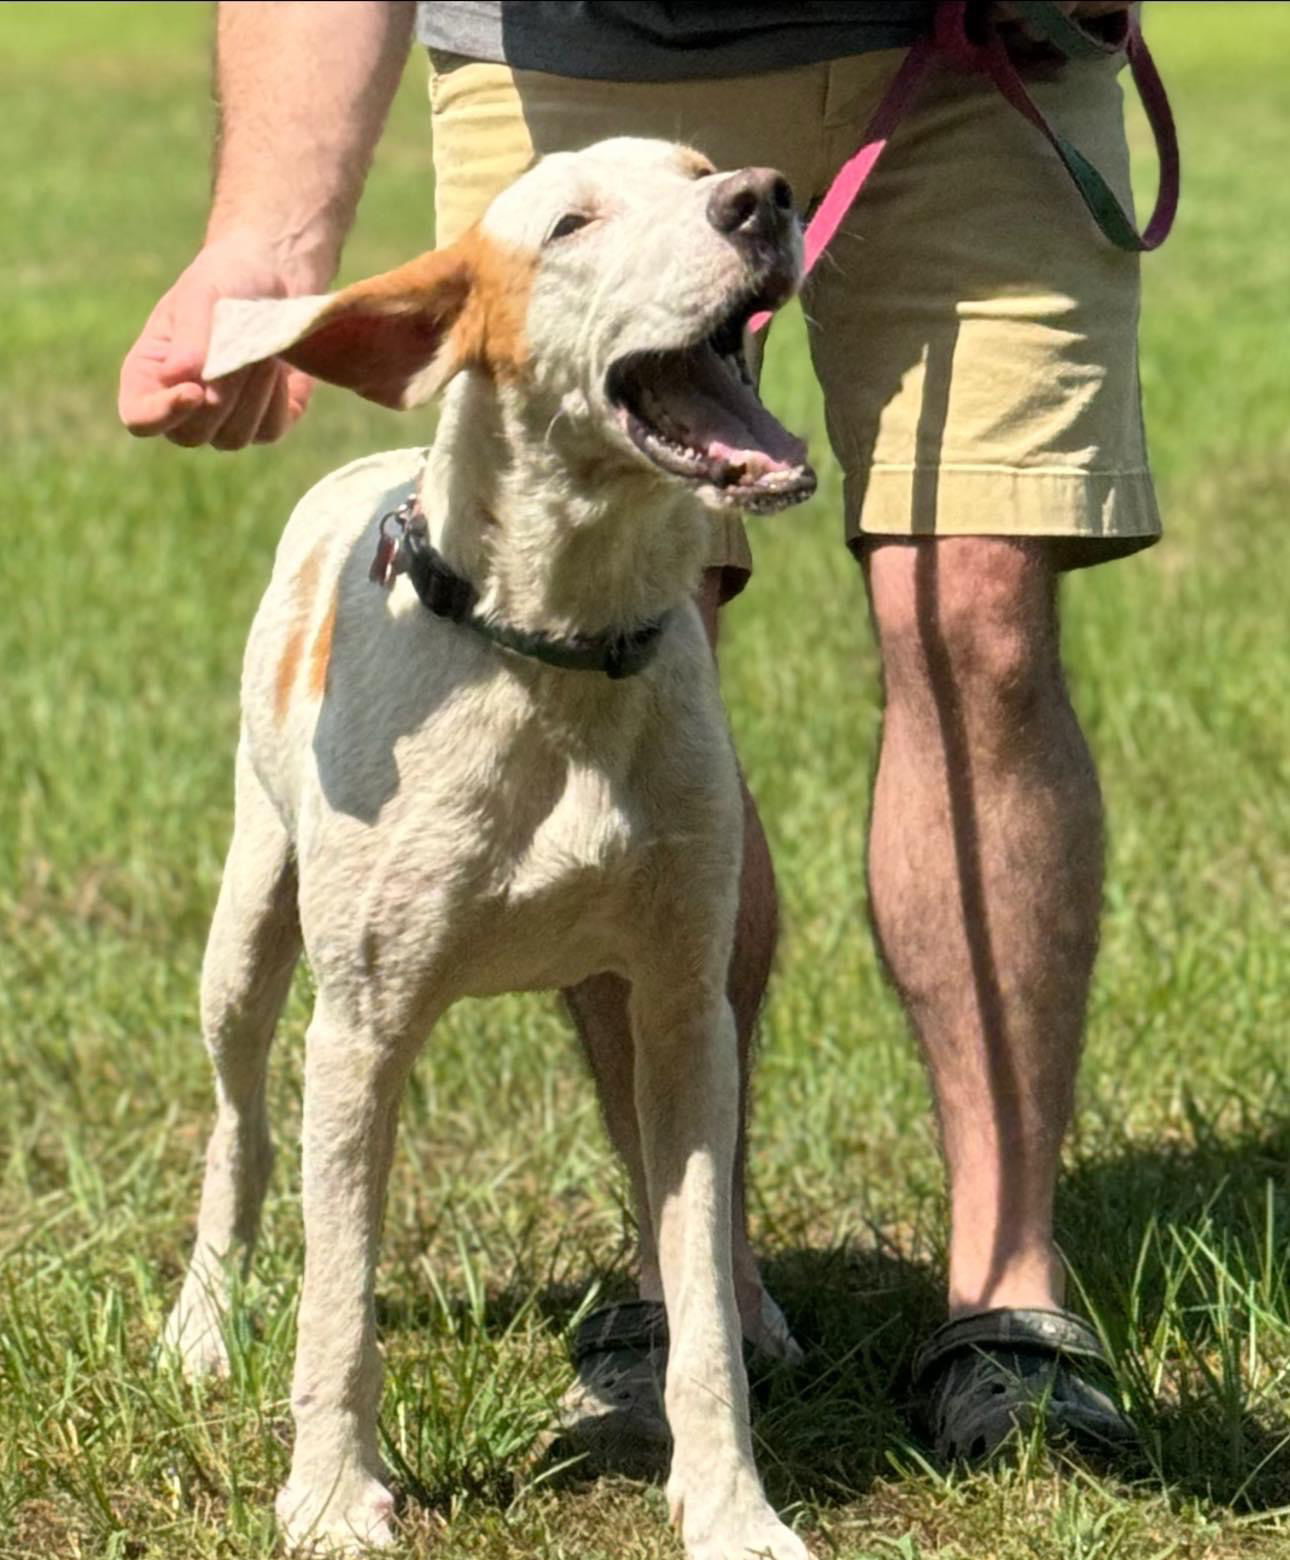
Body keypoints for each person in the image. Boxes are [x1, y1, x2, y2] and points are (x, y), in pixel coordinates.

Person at [120, 0, 1148, 1464]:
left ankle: (1006, 1297)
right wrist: (271, 235)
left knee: (976, 622)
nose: (730, 204)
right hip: (568, 53)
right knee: (638, 629)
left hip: (976, 45)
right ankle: (690, 1289)